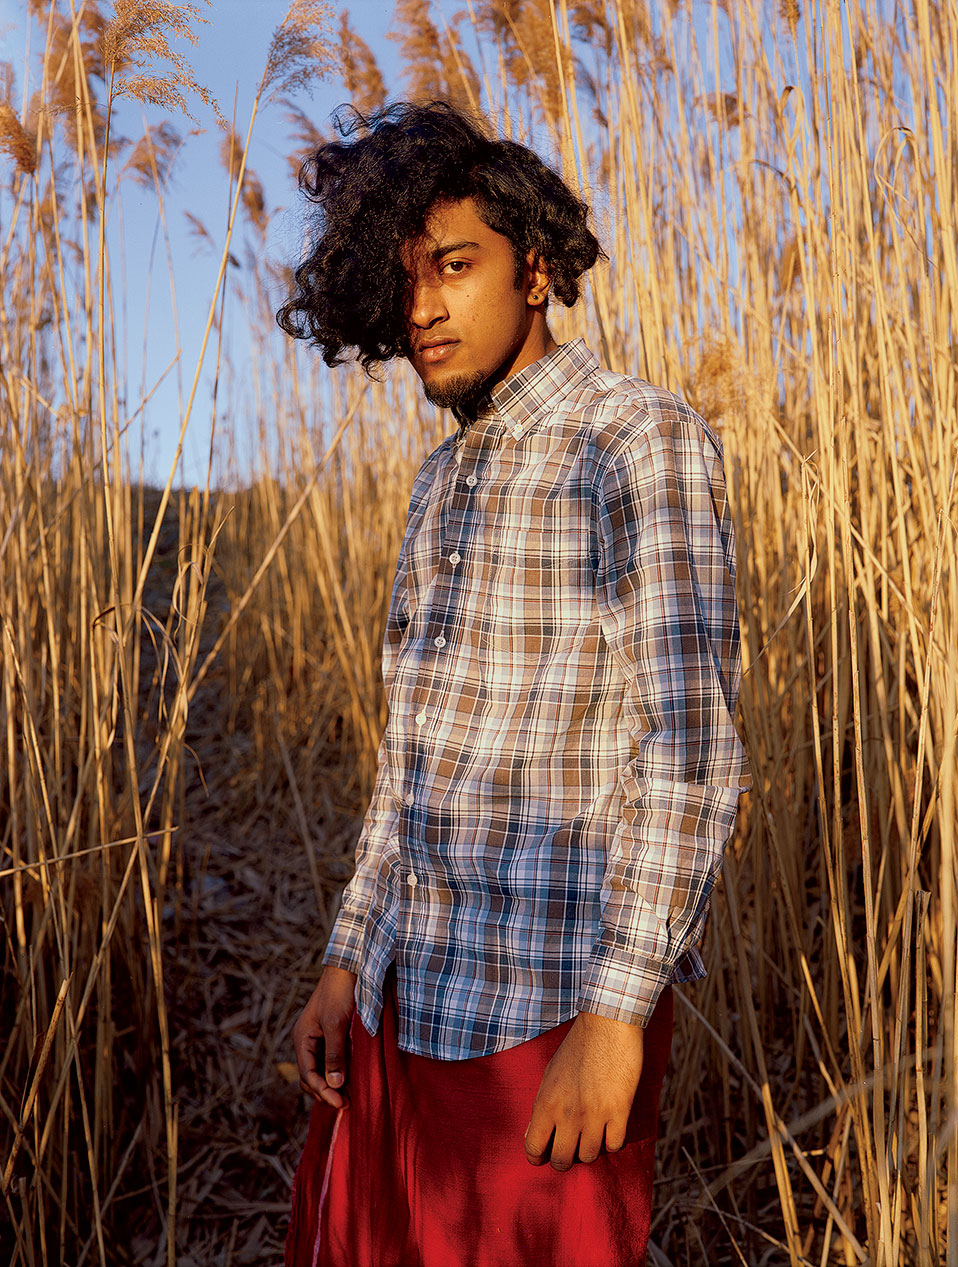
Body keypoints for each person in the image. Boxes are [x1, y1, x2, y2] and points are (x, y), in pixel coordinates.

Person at [276, 100, 751, 1267]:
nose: (423, 306)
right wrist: (348, 956)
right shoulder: (440, 485)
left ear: (533, 269)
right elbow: (416, 753)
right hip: (402, 1007)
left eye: (454, 266)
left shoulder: (636, 441)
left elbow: (688, 756)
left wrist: (616, 1018)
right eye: (406, 278)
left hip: (540, 1028)